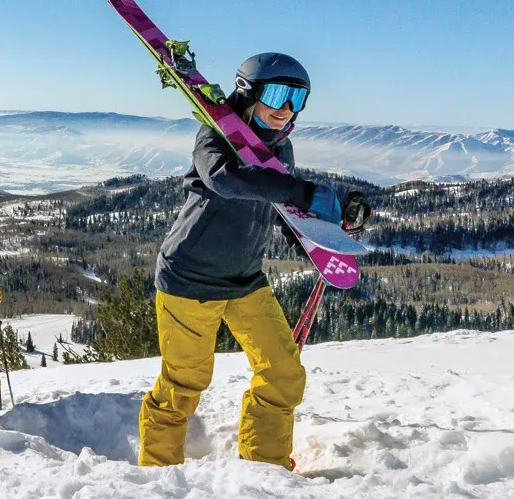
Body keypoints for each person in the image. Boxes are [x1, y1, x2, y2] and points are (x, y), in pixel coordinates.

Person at [139, 52, 369, 469]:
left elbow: (285, 213)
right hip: (189, 280)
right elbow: (224, 179)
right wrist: (298, 191)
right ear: (247, 94)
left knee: (283, 375)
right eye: (278, 95)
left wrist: (325, 240)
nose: (286, 110)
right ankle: (157, 477)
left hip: (245, 281)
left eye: (297, 100)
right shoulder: (214, 137)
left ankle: (265, 471)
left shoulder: (283, 150)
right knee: (183, 385)